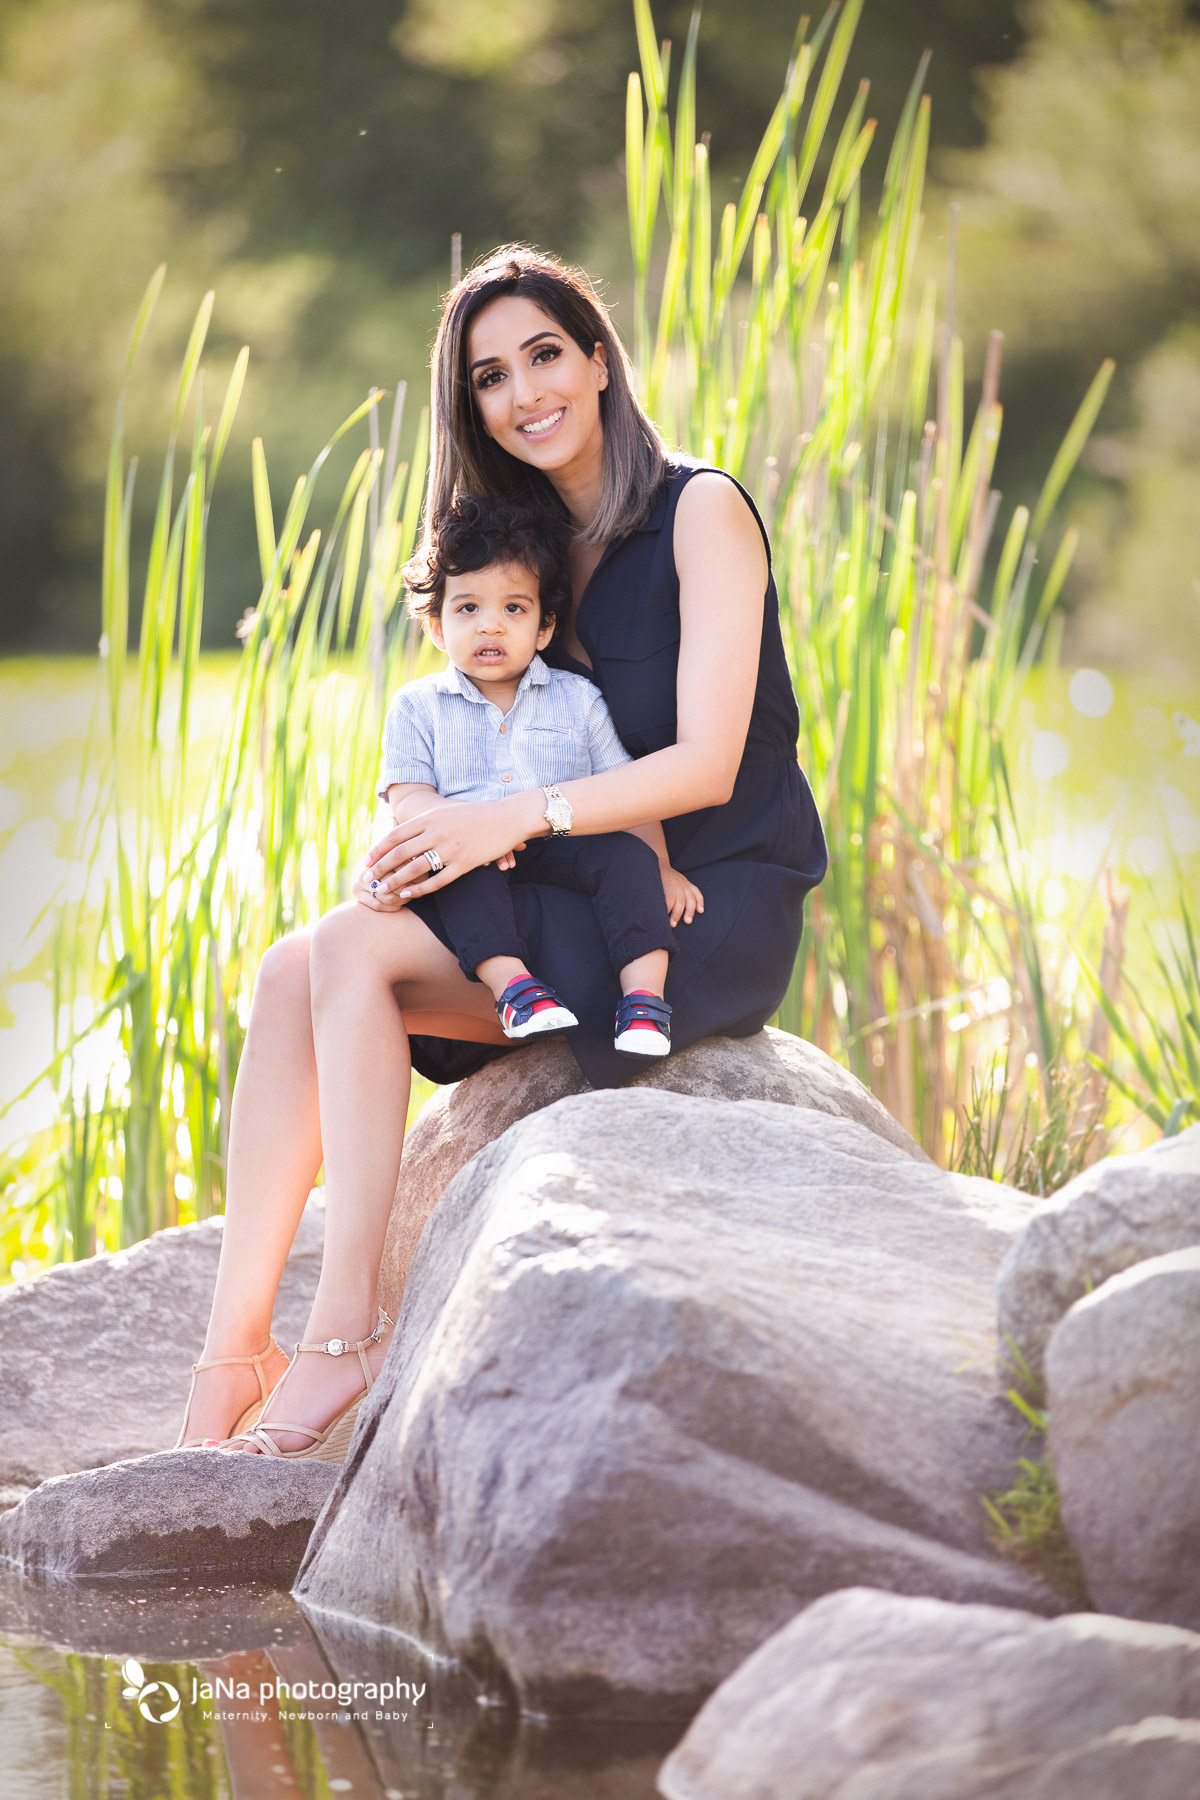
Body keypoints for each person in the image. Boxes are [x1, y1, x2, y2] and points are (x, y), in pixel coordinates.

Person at [176, 244, 827, 1463]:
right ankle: (232, 1350)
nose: (526, 393)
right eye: (490, 376)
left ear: (597, 358)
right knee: (291, 967)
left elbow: (711, 768)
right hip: (569, 886)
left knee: (353, 957)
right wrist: (423, 834)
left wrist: (507, 823)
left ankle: (349, 1328)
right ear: (466, 404)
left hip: (701, 907)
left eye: (545, 355)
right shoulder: (520, 553)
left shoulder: (703, 510)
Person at [381, 492, 703, 1058]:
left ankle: (646, 1003)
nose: (491, 626)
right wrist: (469, 829)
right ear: (435, 627)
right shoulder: (417, 706)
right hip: (473, 854)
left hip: (559, 843)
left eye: (513, 609)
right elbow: (408, 795)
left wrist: (663, 866)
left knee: (628, 861)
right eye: (467, 609)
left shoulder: (577, 700)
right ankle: (516, 990)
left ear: (545, 627)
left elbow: (626, 792)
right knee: (464, 873)